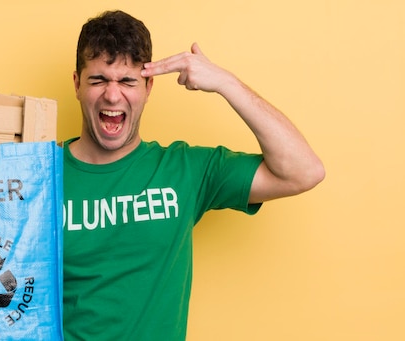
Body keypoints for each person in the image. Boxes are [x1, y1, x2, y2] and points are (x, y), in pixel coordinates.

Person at [61, 10, 325, 341]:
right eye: (98, 80)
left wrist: (226, 83)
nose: (113, 95)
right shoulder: (37, 176)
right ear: (76, 84)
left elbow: (304, 171)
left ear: (148, 86)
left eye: (127, 81)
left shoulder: (185, 170)